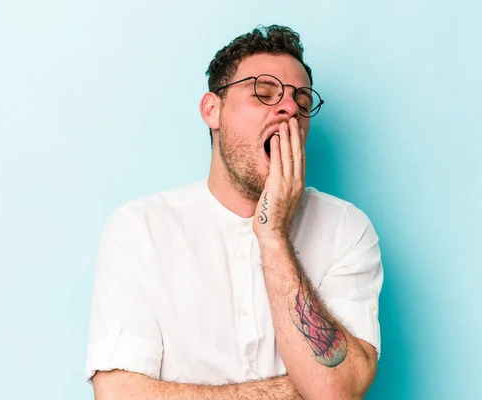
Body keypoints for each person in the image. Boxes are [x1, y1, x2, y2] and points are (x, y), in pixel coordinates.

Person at [85, 25, 384, 400]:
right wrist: (298, 388)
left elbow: (335, 391)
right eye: (264, 91)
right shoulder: (139, 230)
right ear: (213, 110)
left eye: (302, 102)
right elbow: (117, 394)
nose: (290, 108)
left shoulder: (346, 229)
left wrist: (272, 232)